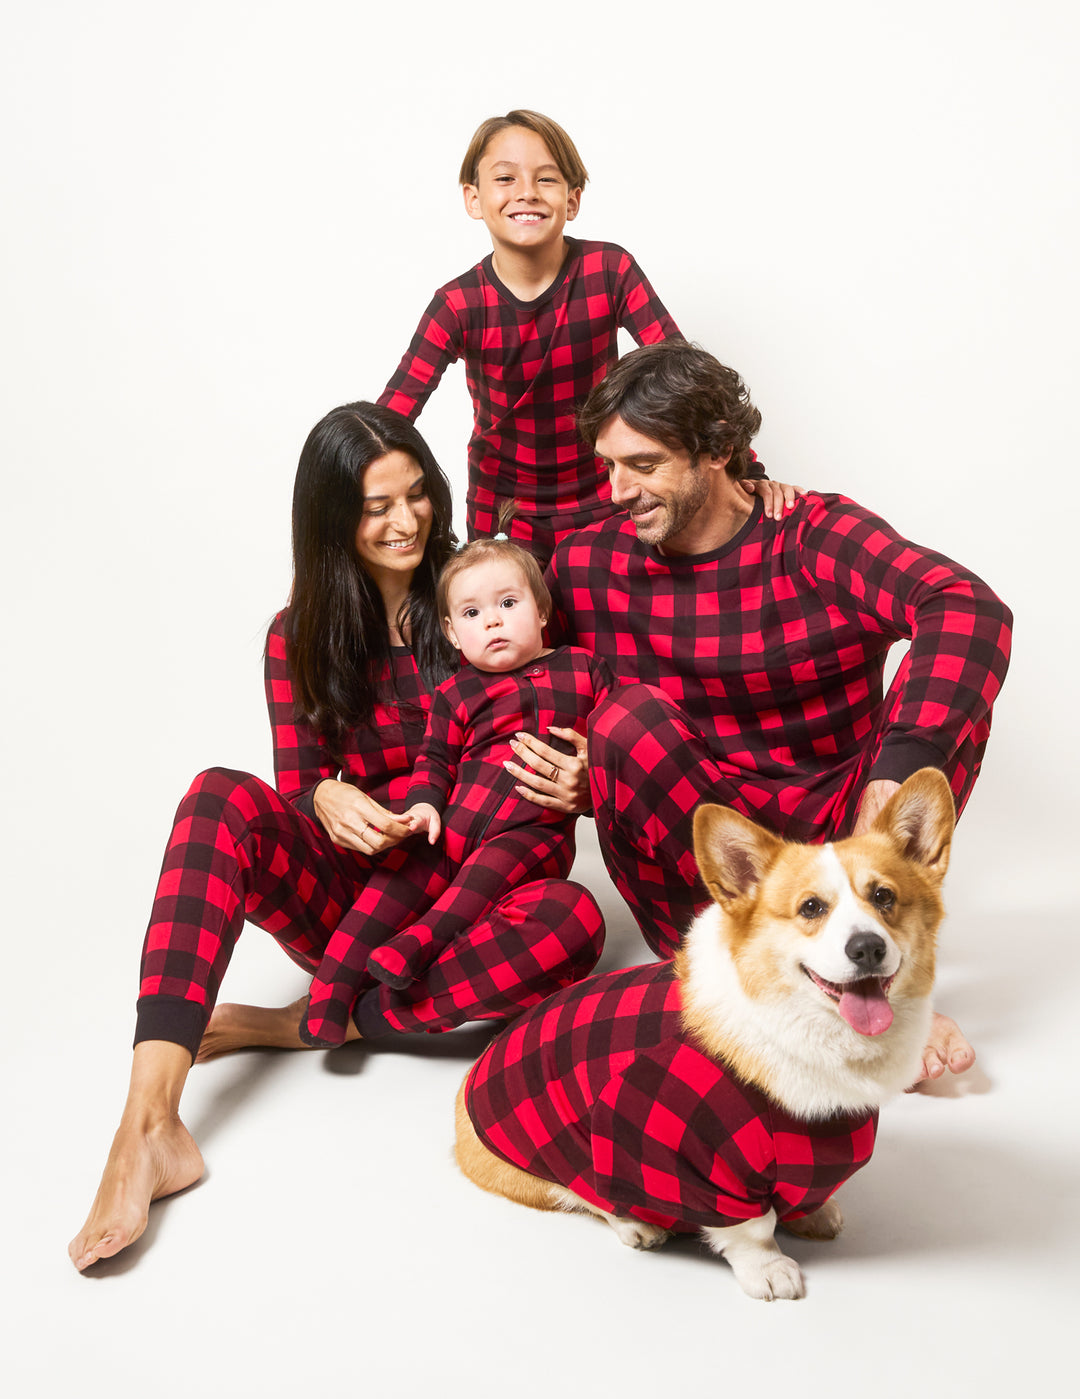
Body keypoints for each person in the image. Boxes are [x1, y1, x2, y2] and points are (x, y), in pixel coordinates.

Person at [68, 403, 604, 1272]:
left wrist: (587, 782)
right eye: (374, 505)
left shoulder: (483, 595)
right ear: (331, 518)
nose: (405, 521)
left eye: (417, 495)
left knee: (577, 921)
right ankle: (149, 1125)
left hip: (473, 899)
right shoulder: (299, 636)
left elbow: (564, 722)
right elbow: (293, 781)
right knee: (214, 797)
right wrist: (323, 796)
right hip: (356, 901)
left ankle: (302, 1025)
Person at [533, 340, 1013, 1086]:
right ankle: (755, 982)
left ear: (720, 449)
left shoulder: (814, 535)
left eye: (645, 463)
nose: (619, 489)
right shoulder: (587, 562)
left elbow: (967, 606)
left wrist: (894, 773)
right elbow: (511, 664)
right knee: (622, 721)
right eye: (609, 465)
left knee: (949, 700)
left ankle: (877, 976)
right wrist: (568, 768)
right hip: (721, 852)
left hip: (840, 832)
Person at [377, 108, 798, 568]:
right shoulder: (458, 304)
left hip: (609, 495)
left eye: (547, 179)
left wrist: (749, 471)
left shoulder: (609, 272)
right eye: (505, 179)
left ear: (573, 200)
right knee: (513, 630)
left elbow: (688, 378)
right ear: (473, 199)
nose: (526, 193)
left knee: (620, 623)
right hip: (504, 510)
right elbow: (391, 417)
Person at [300, 536, 616, 1045]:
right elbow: (436, 759)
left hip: (530, 835)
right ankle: (327, 1002)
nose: (492, 621)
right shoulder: (456, 691)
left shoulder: (583, 670)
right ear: (451, 632)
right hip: (453, 823)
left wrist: (589, 768)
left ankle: (419, 944)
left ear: (542, 612)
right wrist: (423, 804)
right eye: (472, 613)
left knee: (480, 882)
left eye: (508, 604)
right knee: (390, 888)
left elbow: (613, 738)